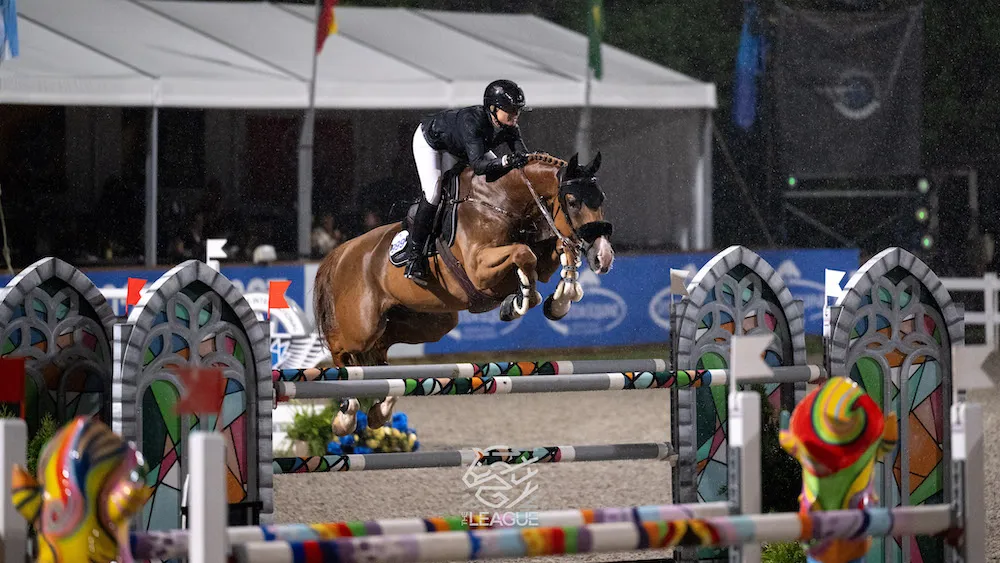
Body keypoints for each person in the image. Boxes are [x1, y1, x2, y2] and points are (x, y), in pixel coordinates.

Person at [403, 79, 531, 286]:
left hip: (461, 147)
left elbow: (523, 157)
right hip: (431, 142)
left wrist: (532, 160)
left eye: (517, 110)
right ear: (493, 108)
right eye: (510, 110)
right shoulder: (472, 121)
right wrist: (507, 160)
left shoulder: (509, 126)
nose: (515, 115)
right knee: (434, 193)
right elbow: (479, 166)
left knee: (498, 178)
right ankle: (414, 255)